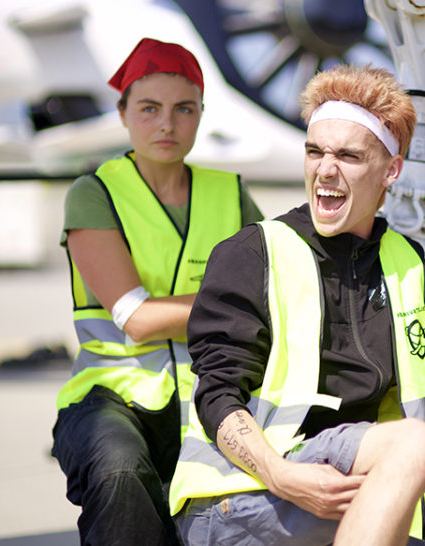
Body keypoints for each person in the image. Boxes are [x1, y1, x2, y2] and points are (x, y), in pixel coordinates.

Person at [169, 64, 425, 545]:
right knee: (420, 442)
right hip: (239, 498)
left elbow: (372, 386)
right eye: (315, 151)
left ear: (391, 171)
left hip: (335, 489)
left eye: (348, 156)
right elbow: (216, 396)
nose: (325, 169)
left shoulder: (406, 261)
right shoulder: (254, 251)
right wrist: (283, 477)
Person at [50, 37, 263, 545]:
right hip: (111, 398)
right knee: (120, 473)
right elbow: (137, 318)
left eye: (183, 109)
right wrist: (232, 308)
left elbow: (274, 292)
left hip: (214, 394)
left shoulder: (230, 194)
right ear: (123, 113)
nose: (167, 125)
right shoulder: (94, 193)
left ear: (200, 113)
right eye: (149, 108)